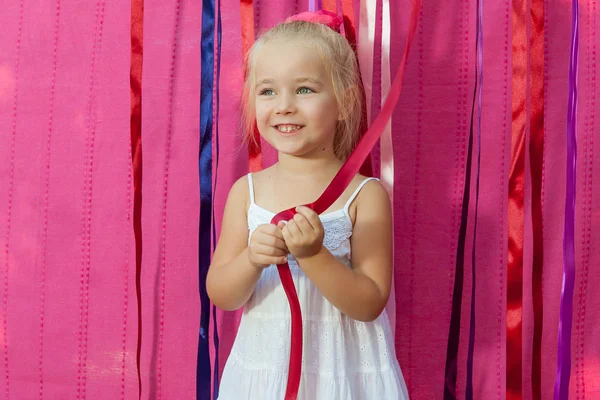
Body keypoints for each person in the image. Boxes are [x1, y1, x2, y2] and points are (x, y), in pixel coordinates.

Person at [207, 10, 409, 399]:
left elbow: (368, 303)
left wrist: (314, 255)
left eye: (304, 90)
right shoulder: (246, 192)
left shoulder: (364, 195)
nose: (283, 106)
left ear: (345, 101)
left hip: (344, 377)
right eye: (268, 91)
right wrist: (251, 259)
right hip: (266, 375)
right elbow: (222, 294)